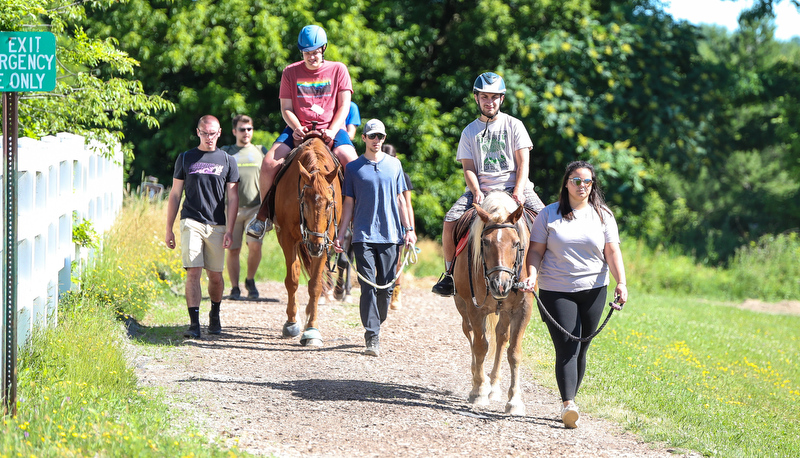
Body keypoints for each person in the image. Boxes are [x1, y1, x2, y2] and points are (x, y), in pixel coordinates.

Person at [518, 160, 628, 429]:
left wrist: (621, 282)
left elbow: (612, 252)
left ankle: (571, 400)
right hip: (556, 289)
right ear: (566, 183)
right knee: (568, 345)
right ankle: (568, 404)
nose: (582, 186)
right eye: (576, 181)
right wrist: (531, 275)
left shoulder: (603, 216)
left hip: (594, 289)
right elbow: (535, 251)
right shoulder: (549, 215)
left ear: (593, 186)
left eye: (587, 181)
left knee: (582, 348)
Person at [431, 72, 545, 296]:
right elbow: (469, 168)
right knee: (450, 220)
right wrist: (475, 192)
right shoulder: (469, 132)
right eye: (484, 97)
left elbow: (523, 163)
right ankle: (450, 274)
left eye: (494, 97)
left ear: (501, 99)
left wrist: (519, 191)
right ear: (476, 98)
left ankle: (550, 276)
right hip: (482, 190)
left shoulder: (515, 125)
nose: (489, 102)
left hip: (515, 186)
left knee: (548, 221)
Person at [248, 24, 358, 237]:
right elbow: (286, 108)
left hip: (331, 128)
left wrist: (334, 130)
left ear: (323, 49)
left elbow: (345, 106)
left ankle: (357, 217)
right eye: (306, 52)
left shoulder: (338, 69)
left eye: (315, 52)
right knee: (269, 163)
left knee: (354, 165)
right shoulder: (290, 72)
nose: (311, 57)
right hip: (298, 128)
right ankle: (265, 216)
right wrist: (297, 128)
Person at [334, 119, 416, 356]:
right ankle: (372, 335)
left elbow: (401, 200)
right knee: (368, 286)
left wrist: (408, 229)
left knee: (386, 289)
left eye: (380, 136)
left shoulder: (395, 165)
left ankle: (376, 322)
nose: (376, 140)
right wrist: (341, 235)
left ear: (384, 138)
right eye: (372, 136)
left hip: (392, 235)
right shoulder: (353, 169)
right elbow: (348, 204)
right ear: (364, 139)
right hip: (363, 236)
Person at [165, 115, 240, 339]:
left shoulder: (228, 160)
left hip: (217, 224)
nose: (209, 138)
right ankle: (194, 323)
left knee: (215, 277)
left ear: (220, 133)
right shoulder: (186, 158)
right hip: (191, 221)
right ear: (198, 132)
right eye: (205, 133)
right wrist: (169, 228)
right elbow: (175, 194)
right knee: (193, 272)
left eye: (213, 133)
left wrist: (230, 229)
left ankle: (214, 314)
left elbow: (233, 198)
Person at [221, 114, 266, 300]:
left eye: (249, 129)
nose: (246, 132)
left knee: (255, 245)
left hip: (255, 208)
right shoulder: (226, 151)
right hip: (231, 208)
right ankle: (234, 287)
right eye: (242, 129)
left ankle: (250, 279)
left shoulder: (261, 150)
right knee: (233, 249)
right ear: (234, 131)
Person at [382, 143, 414, 310]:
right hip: (381, 219)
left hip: (398, 221)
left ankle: (396, 291)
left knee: (397, 260)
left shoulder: (403, 176)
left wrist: (411, 229)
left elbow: (407, 204)